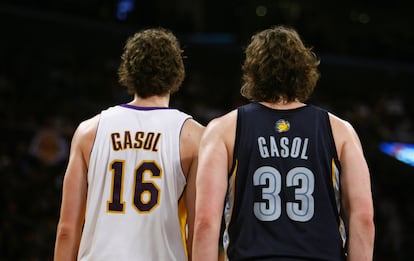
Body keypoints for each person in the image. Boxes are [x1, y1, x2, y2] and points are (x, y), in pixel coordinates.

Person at [192, 25, 375, 261]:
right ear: (304, 71)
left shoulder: (223, 130)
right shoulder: (340, 131)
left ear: (253, 72)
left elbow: (206, 221)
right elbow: (363, 219)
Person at [54, 27, 204, 261]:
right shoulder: (193, 137)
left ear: (128, 71)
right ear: (177, 74)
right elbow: (199, 230)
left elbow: (66, 230)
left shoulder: (88, 131)